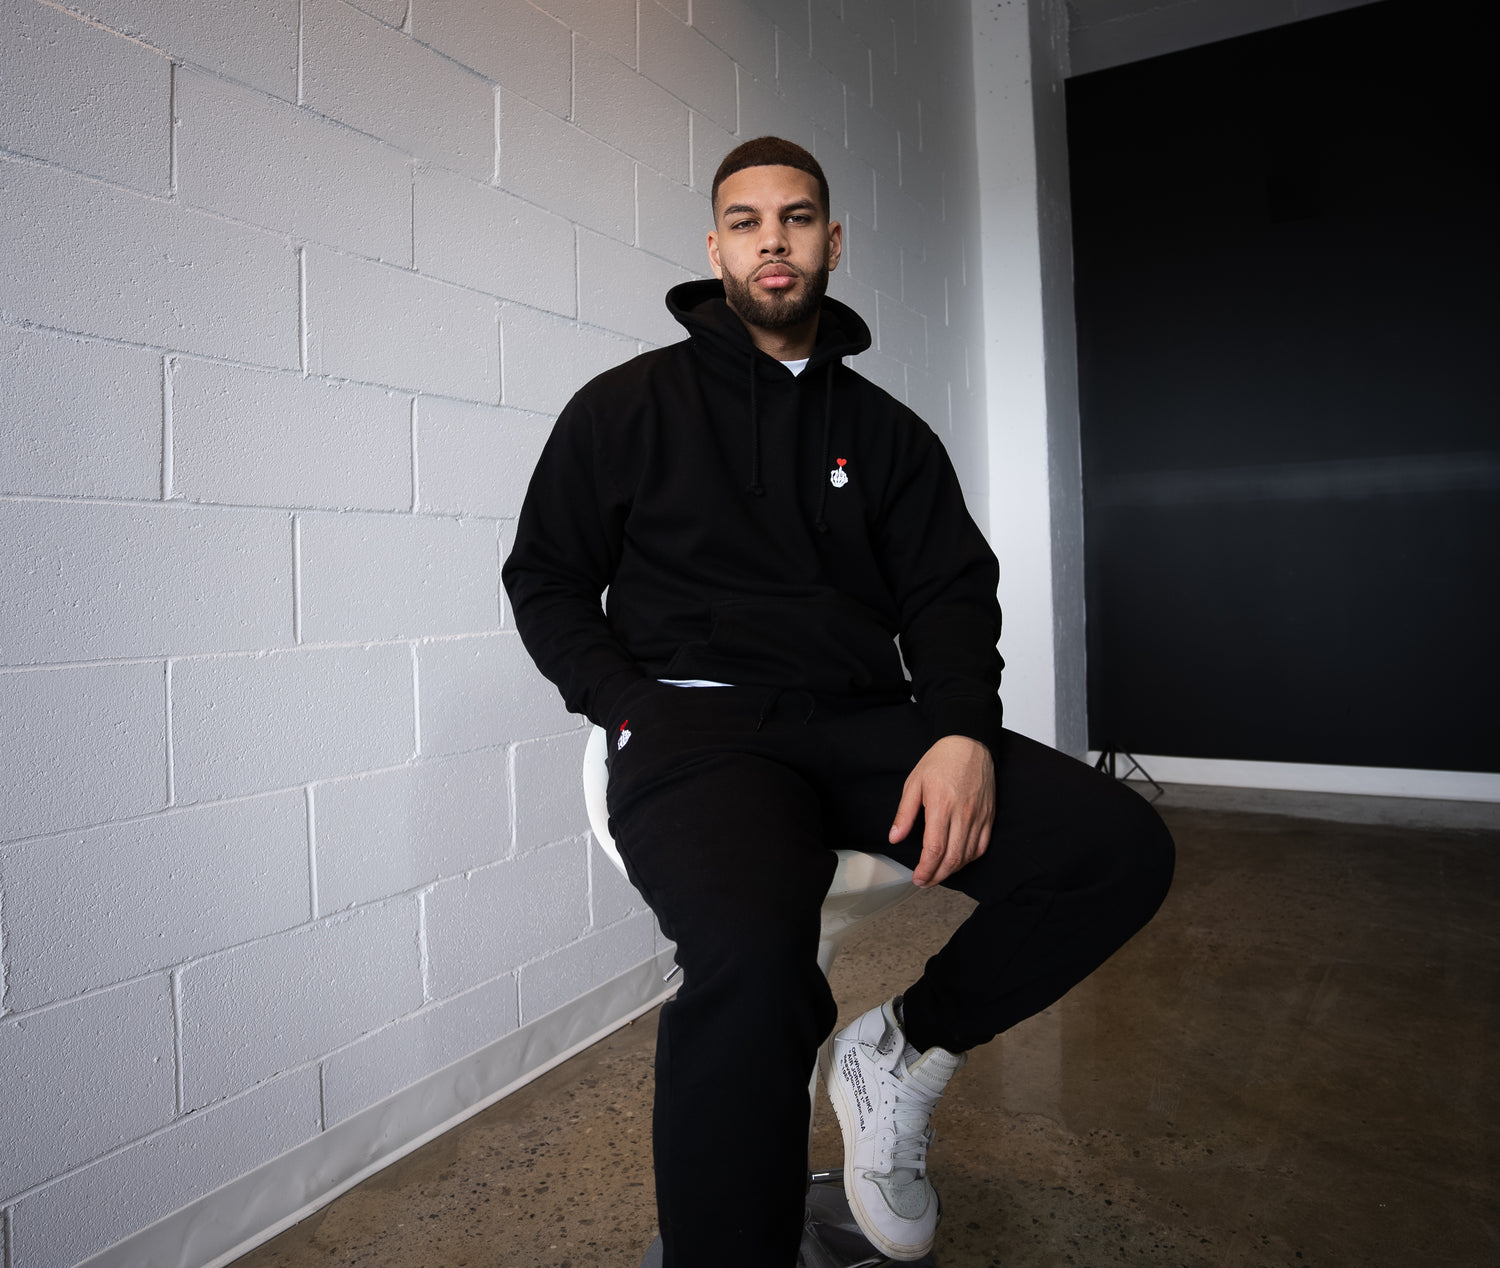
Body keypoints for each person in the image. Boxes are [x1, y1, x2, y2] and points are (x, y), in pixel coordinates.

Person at [502, 136, 1174, 1267]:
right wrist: (626, 706)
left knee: (1118, 850)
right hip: (699, 726)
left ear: (832, 242)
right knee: (751, 958)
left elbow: (950, 596)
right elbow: (547, 581)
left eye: (798, 218)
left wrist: (959, 729)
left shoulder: (890, 435)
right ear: (715, 248)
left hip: (866, 722)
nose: (774, 239)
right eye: (748, 221)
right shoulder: (625, 407)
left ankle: (903, 1048)